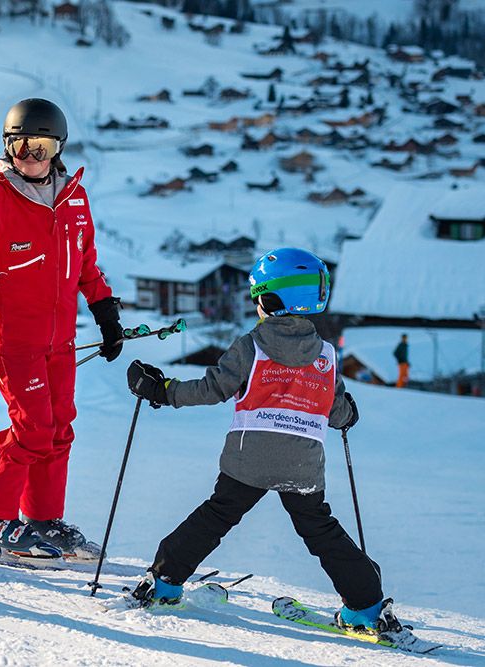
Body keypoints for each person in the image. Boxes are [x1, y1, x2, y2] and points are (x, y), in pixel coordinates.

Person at [126, 247, 410, 638]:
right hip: (302, 466)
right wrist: (349, 413)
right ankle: (366, 607)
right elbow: (337, 411)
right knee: (321, 531)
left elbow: (213, 388)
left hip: (248, 462)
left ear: (269, 299)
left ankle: (164, 582)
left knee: (216, 515)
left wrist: (163, 390)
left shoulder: (251, 346)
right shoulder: (326, 355)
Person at [0, 98, 123, 559]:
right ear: (7, 146)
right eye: (20, 145)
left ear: (58, 148)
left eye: (41, 145)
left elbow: (86, 261)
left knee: (58, 429)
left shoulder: (75, 196)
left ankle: (42, 519)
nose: (30, 156)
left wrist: (104, 310)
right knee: (32, 428)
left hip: (61, 340)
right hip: (16, 339)